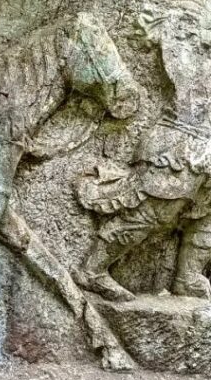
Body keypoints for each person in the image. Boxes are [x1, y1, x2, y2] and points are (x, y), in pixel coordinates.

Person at [75, 117, 211, 301]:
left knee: (206, 215)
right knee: (151, 213)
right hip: (185, 139)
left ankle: (187, 278)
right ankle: (92, 271)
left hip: (201, 146)